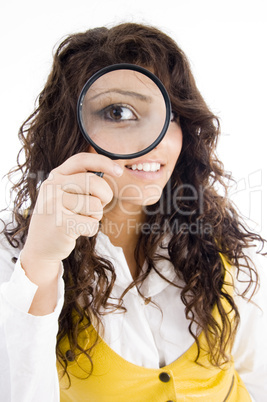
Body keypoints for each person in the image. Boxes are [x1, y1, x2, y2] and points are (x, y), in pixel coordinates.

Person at [0, 22, 266, 402]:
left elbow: (257, 376)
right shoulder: (15, 253)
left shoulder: (215, 233)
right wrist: (41, 265)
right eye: (119, 111)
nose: (153, 142)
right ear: (70, 129)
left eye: (170, 115)